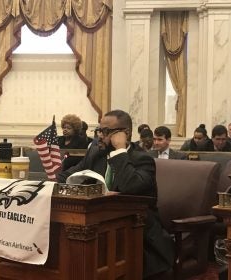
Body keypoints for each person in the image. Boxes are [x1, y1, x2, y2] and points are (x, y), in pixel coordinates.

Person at [57, 110, 174, 278]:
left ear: (124, 133)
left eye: (105, 132)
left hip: (139, 237)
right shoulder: (96, 155)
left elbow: (130, 186)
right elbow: (65, 176)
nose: (100, 136)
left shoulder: (143, 159)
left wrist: (120, 150)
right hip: (99, 230)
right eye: (98, 130)